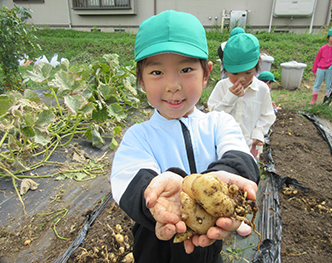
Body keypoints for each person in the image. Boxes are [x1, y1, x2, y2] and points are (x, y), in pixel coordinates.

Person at [110, 10, 260, 263]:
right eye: (157, 73)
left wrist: (216, 183)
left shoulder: (219, 123)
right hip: (157, 244)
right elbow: (128, 179)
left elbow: (239, 156)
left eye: (186, 69)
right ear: (141, 81)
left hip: (210, 240)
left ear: (206, 74)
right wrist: (156, 197)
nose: (173, 85)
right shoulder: (139, 136)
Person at [208, 31, 276, 160]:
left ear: (258, 64)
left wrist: (258, 133)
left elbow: (267, 115)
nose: (242, 79)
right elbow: (213, 117)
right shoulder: (222, 87)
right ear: (225, 68)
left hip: (249, 147)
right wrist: (230, 97)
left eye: (248, 72)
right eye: (234, 74)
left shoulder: (261, 89)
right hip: (222, 149)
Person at [309, 27, 332, 105]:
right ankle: (313, 100)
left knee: (329, 85)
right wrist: (314, 69)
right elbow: (317, 59)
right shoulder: (323, 48)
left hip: (331, 69)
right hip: (321, 68)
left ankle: (327, 101)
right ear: (328, 37)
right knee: (317, 84)